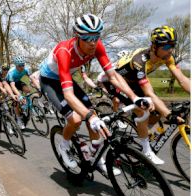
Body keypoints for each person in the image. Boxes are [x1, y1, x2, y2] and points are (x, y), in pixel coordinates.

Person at [39, 14, 151, 174]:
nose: (92, 42)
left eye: (96, 36)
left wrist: (135, 97)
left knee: (94, 115)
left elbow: (113, 76)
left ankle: (96, 159)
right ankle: (63, 147)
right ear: (77, 37)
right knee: (77, 119)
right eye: (87, 38)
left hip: (66, 78)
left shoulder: (97, 46)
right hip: (49, 81)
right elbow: (69, 96)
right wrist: (89, 116)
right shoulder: (65, 51)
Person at [99, 25, 190, 164]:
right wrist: (169, 115)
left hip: (133, 81)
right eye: (166, 47)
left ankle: (141, 131)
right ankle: (146, 150)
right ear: (154, 46)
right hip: (114, 81)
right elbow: (149, 92)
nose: (170, 50)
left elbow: (182, 80)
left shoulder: (167, 57)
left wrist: (164, 111)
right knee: (143, 110)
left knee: (158, 111)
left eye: (172, 45)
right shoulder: (140, 61)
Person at [6, 56, 39, 129]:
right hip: (10, 84)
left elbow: (32, 78)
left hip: (18, 81)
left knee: (28, 90)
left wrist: (38, 87)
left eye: (23, 65)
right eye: (19, 66)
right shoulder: (12, 72)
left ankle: (26, 106)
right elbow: (13, 86)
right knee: (17, 100)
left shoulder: (26, 69)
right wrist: (19, 96)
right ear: (16, 66)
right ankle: (18, 119)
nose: (22, 67)